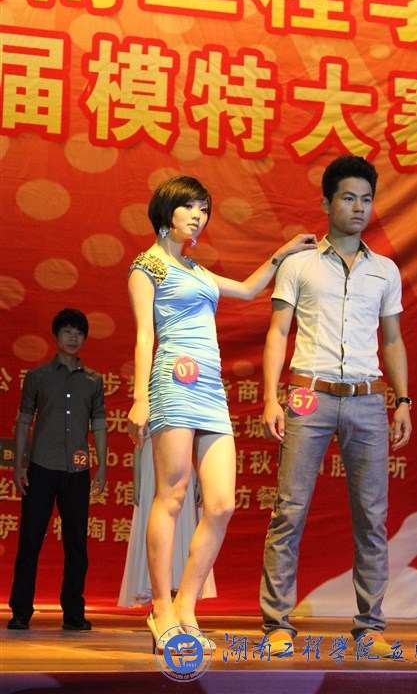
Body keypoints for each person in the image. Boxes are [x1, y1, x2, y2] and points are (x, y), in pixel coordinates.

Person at [126, 175, 317, 652]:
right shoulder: (147, 266)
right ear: (166, 211)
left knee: (221, 504)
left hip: (210, 390)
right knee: (172, 495)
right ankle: (162, 610)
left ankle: (186, 605)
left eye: (204, 209)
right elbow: (145, 335)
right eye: (189, 206)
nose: (198, 216)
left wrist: (283, 252)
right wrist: (140, 398)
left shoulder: (196, 269)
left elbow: (250, 289)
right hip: (173, 382)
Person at [259, 155, 413, 658]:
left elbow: (393, 340)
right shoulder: (299, 264)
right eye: (348, 198)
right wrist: (270, 396)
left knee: (372, 515)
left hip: (367, 399)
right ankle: (277, 624)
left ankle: (370, 627)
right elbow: (278, 332)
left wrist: (403, 401)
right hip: (308, 393)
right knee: (290, 509)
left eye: (366, 199)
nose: (359, 208)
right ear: (326, 203)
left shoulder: (385, 270)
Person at [7, 308, 108, 631]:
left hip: (77, 471)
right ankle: (21, 611)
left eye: (79, 333)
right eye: (67, 332)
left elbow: (99, 424)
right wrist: (19, 465)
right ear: (55, 336)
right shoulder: (37, 377)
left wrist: (102, 466)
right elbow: (24, 420)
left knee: (77, 543)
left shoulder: (93, 381)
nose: (73, 338)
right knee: (30, 540)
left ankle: (74, 613)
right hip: (41, 467)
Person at [118, 432, 216, 607]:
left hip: (184, 460)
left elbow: (199, 440)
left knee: (182, 528)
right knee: (154, 526)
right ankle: (159, 599)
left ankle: (178, 598)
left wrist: (200, 481)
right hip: (152, 463)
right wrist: (137, 482)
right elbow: (138, 445)